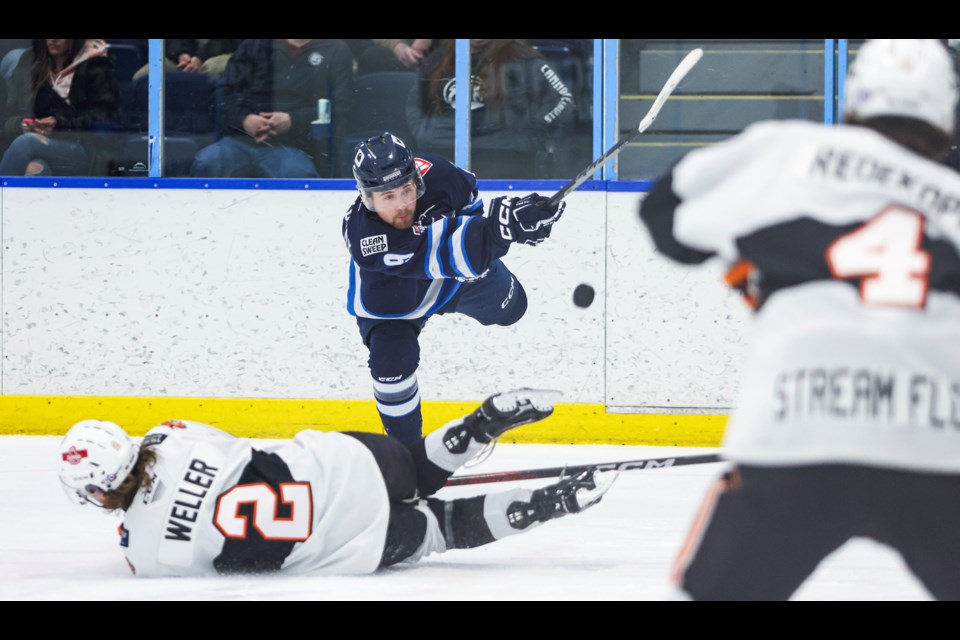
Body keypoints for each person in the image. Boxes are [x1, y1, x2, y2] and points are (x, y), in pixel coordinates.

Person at [639, 39, 960, 600]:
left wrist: (761, 267)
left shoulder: (787, 150)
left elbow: (665, 219)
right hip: (936, 441)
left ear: (855, 95)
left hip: (799, 428)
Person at [56, 389, 615, 576]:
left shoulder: (147, 557)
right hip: (347, 462)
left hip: (356, 541)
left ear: (98, 494)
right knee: (417, 466)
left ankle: (555, 501)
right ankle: (477, 424)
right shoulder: (169, 435)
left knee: (444, 528)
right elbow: (221, 443)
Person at [343, 132, 566, 447]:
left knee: (514, 308)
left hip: (455, 282)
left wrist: (519, 221)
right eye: (388, 197)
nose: (402, 205)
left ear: (416, 180)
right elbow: (442, 257)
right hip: (393, 300)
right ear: (368, 197)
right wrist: (500, 232)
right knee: (391, 365)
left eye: (406, 190)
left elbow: (474, 217)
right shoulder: (365, 238)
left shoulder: (442, 175)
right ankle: (407, 456)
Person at [406, 39, 576, 179]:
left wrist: (530, 127)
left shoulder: (522, 58)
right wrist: (425, 133)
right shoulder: (439, 60)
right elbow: (416, 105)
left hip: (505, 158)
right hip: (444, 154)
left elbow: (563, 101)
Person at [190, 39, 352, 178]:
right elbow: (223, 93)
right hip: (240, 141)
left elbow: (340, 106)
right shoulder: (255, 44)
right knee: (208, 162)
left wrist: (292, 120)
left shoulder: (335, 49)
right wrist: (244, 119)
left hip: (295, 147)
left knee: (299, 174)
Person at [0, 39, 118, 176]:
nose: (53, 39)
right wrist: (23, 124)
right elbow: (8, 116)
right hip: (37, 143)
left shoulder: (95, 66)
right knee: (35, 169)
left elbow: (101, 119)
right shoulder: (29, 63)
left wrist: (59, 124)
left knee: (26, 143)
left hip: (82, 146)